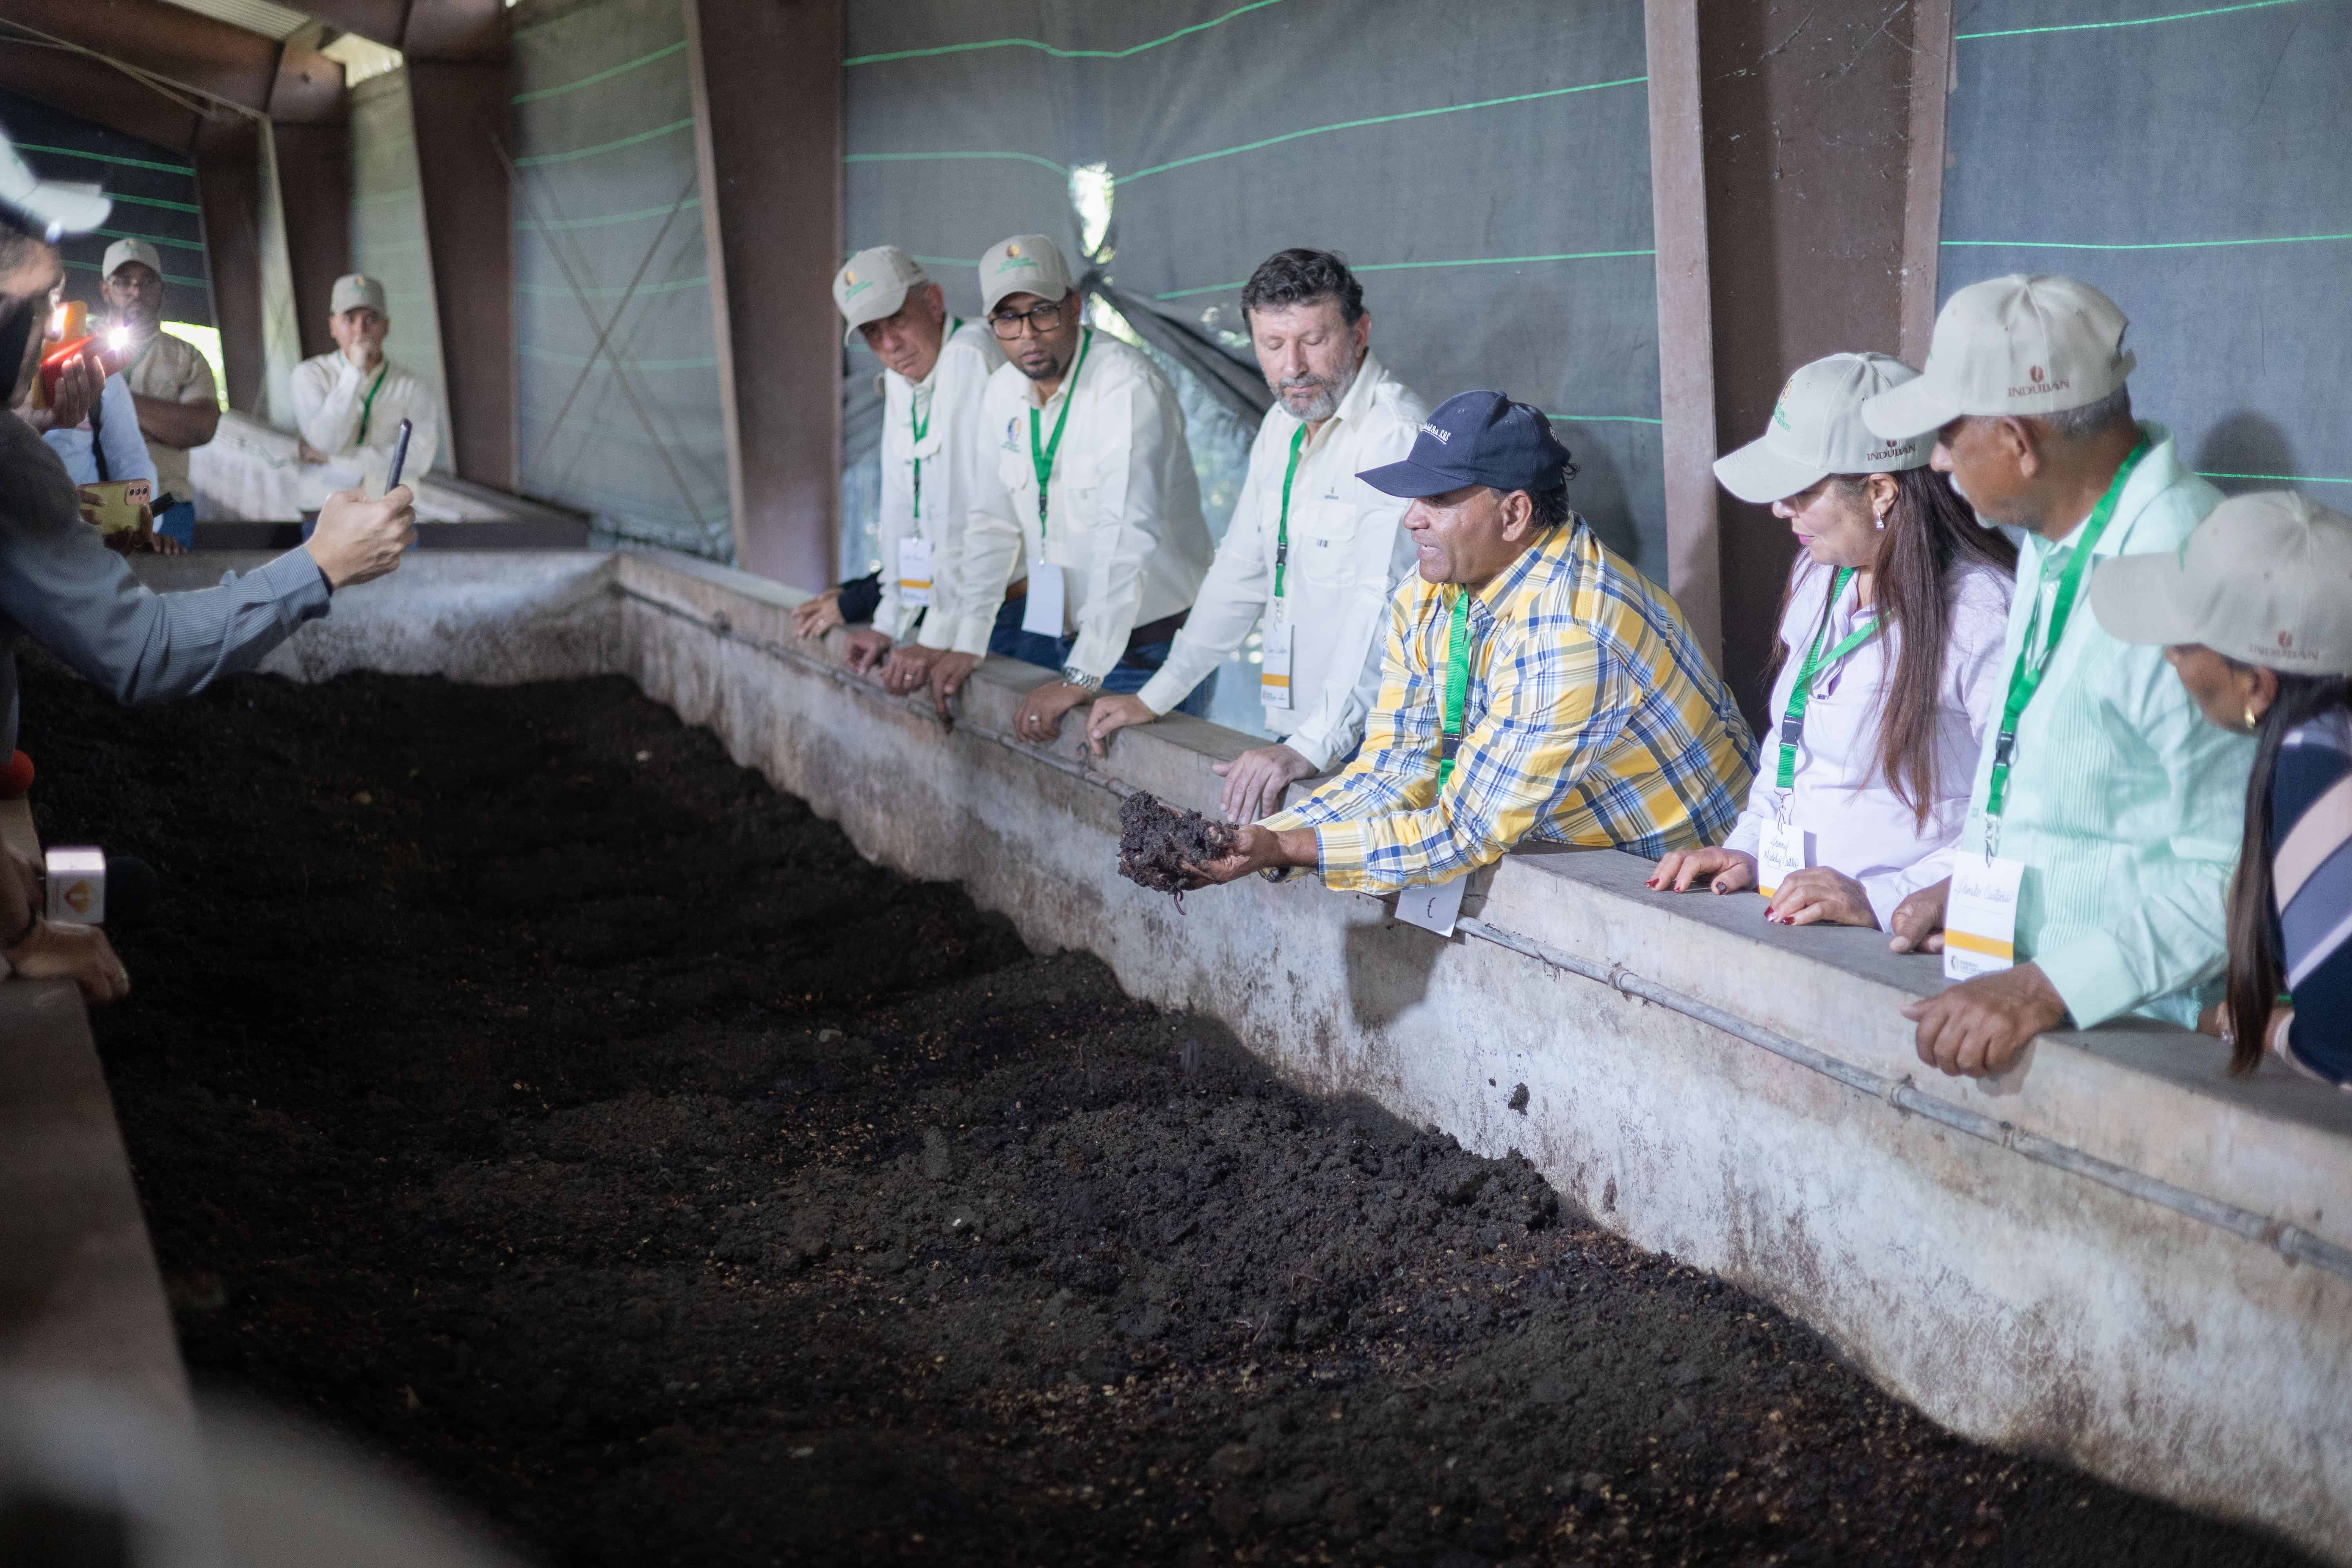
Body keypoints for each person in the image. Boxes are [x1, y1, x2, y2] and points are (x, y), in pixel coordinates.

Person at [1860, 274, 2252, 1078]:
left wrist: (2046, 985)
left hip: (2155, 1036)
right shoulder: (2049, 534)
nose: (1935, 462)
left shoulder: (2186, 573)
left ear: (2016, 440)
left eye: (1947, 434)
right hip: (2040, 989)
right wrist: (1975, 890)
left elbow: (2236, 875)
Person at [1178, 390, 1757, 892]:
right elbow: (1398, 766)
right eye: (1413, 497)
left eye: (1438, 500)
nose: (1411, 520)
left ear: (1514, 514)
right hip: (1567, 837)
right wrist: (1253, 839)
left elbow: (1464, 832)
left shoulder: (1570, 633)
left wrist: (1285, 850)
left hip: (1686, 887)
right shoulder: (1433, 589)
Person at [0, 130, 416, 755]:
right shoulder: (13, 469)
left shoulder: (170, 362)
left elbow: (201, 426)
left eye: (56, 299)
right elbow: (144, 648)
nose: (49, 325)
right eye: (35, 304)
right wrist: (322, 563)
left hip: (155, 508)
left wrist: (41, 424)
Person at [1648, 352, 2014, 927]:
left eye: (1798, 492)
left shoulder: (1982, 611)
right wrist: (1748, 848)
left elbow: (2020, 812)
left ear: (1880, 492)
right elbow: (1791, 755)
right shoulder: (1816, 575)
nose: (1778, 509)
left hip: (1907, 943)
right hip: (1794, 918)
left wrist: (1887, 899)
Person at [1084, 249, 1428, 823]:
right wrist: (1156, 695)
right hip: (1305, 731)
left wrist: (1309, 746)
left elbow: (1387, 611)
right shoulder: (1283, 425)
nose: (1292, 365)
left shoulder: (1394, 434)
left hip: (1377, 741)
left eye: (1313, 340)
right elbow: (1240, 573)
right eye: (1271, 345)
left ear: (1360, 332)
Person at [2089, 490, 2352, 1087]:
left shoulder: (2312, 764)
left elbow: (2339, 1050)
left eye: (2182, 643)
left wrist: (2265, 1027)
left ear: (2259, 686)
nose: (2168, 660)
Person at [927, 234, 1214, 740]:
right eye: (1008, 320)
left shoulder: (1125, 385)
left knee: (1149, 808)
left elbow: (1126, 535)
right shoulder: (1002, 394)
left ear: (1075, 306)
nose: (1028, 335)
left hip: (1146, 650)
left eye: (1043, 312)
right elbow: (991, 523)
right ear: (992, 326)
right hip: (1067, 637)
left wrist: (1083, 674)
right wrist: (969, 638)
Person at [793, 247, 1002, 707]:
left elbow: (963, 516)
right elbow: (904, 518)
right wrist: (890, 623)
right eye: (872, 332)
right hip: (961, 605)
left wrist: (936, 636)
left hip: (1003, 607)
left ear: (933, 301)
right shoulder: (904, 381)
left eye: (898, 320)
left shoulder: (968, 355)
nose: (889, 345)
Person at [98, 237, 217, 548]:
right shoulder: (77, 350)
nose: (136, 291)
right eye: (124, 282)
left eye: (147, 282)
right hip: (89, 501)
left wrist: (109, 399)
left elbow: (198, 428)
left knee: (166, 580)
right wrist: (161, 420)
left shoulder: (187, 357)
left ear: (161, 291)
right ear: (105, 289)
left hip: (164, 502)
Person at [290, 272, 441, 500]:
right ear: (333, 326)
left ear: (386, 327)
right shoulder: (310, 374)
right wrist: (354, 372)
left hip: (390, 511)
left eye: (371, 319)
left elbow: (419, 460)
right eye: (349, 319)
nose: (360, 330)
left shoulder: (413, 387)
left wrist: (337, 459)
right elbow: (325, 440)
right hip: (325, 510)